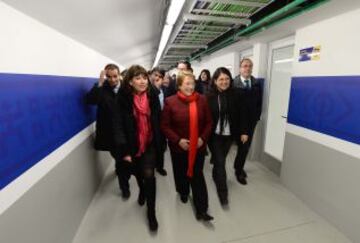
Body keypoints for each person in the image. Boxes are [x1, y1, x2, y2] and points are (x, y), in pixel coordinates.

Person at [113, 65, 162, 232]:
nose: (142, 81)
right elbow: (118, 125)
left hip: (149, 143)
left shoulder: (153, 95)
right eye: (138, 78)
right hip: (132, 145)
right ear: (130, 81)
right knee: (138, 174)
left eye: (144, 77)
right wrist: (124, 151)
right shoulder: (123, 99)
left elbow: (158, 119)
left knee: (149, 175)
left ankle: (151, 212)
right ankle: (142, 191)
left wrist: (161, 141)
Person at [161, 71, 214, 221]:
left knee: (197, 176)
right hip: (179, 148)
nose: (191, 87)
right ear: (179, 85)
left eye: (193, 83)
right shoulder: (170, 102)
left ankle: (202, 210)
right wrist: (178, 140)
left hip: (198, 147)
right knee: (181, 173)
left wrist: (202, 139)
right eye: (187, 84)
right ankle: (183, 191)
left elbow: (209, 122)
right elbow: (165, 126)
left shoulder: (202, 100)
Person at [86, 64, 132, 198]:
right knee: (120, 159)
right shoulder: (102, 89)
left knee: (127, 161)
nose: (112, 80)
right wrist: (99, 84)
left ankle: (123, 173)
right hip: (110, 132)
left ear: (119, 75)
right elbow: (90, 100)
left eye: (115, 76)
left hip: (126, 131)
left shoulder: (127, 88)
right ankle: (124, 188)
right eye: (109, 77)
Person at [207, 67, 248, 205]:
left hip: (229, 135)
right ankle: (223, 193)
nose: (224, 82)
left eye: (227, 79)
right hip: (214, 135)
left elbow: (243, 114)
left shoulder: (236, 94)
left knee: (220, 160)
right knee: (220, 162)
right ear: (215, 81)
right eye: (221, 79)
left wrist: (244, 131)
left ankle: (215, 174)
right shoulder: (209, 96)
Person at [232, 58, 262, 185]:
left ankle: (238, 168)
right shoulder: (234, 84)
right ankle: (238, 169)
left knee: (245, 147)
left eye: (250, 66)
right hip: (237, 122)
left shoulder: (255, 83)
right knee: (240, 146)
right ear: (240, 68)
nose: (247, 68)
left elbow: (259, 102)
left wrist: (256, 117)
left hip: (251, 122)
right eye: (245, 66)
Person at [149, 67, 168, 176]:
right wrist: (155, 88)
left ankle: (160, 166)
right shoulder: (147, 89)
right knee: (151, 147)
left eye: (160, 76)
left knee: (161, 146)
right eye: (155, 75)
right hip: (151, 123)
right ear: (151, 75)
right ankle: (151, 166)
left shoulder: (165, 89)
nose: (157, 78)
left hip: (162, 122)